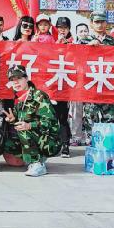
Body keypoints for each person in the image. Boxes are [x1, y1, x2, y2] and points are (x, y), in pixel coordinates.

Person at [2, 65, 61, 177]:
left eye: (19, 78)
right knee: (6, 143)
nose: (16, 82)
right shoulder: (19, 98)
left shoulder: (39, 96)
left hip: (50, 141)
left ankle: (37, 164)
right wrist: (12, 120)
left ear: (26, 78)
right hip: (34, 137)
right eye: (12, 80)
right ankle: (33, 158)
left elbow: (50, 122)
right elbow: (20, 121)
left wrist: (29, 125)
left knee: (23, 129)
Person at [76, 11, 114, 134]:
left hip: (107, 86)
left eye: (102, 22)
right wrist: (88, 47)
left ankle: (108, 143)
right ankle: (92, 142)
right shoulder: (83, 41)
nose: (100, 25)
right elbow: (76, 59)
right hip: (91, 85)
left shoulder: (113, 42)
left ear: (106, 23)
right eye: (97, 22)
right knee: (90, 118)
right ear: (91, 23)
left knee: (110, 119)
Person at [51, 16, 74, 158]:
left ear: (69, 29)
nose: (62, 30)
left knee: (63, 116)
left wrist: (67, 46)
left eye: (65, 28)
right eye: (59, 28)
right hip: (51, 84)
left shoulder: (73, 42)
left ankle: (65, 145)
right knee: (50, 115)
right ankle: (53, 145)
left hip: (65, 85)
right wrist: (56, 45)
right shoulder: (50, 41)